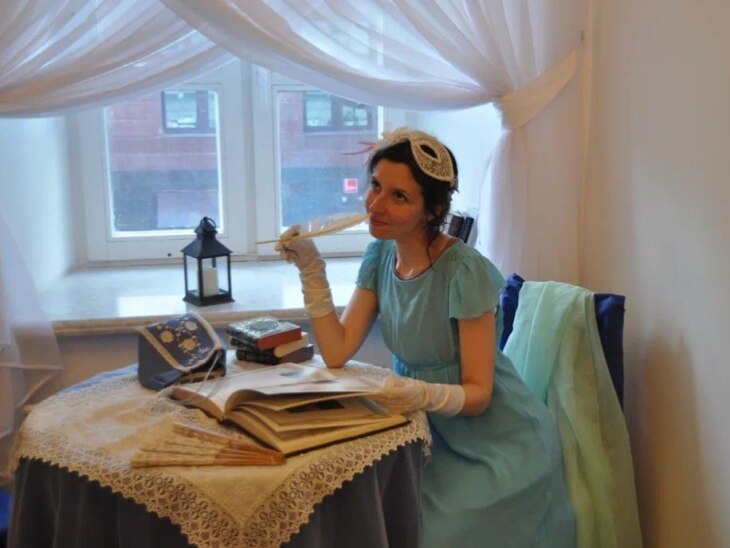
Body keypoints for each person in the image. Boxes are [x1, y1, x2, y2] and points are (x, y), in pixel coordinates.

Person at [276, 128, 576, 547]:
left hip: (495, 445)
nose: (375, 205)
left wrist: (416, 393)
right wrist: (312, 271)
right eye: (375, 186)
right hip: (423, 432)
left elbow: (479, 395)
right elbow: (336, 351)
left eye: (399, 196)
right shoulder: (380, 255)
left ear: (431, 211)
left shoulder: (464, 271)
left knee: (429, 534)